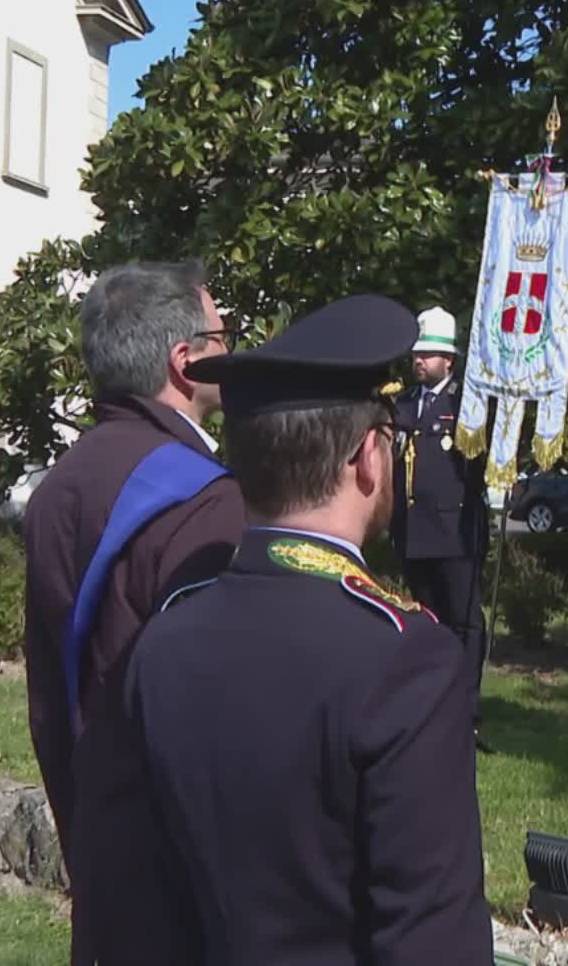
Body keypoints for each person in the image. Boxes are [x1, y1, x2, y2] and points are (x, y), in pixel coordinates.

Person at [117, 293, 492, 964]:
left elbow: (146, 903)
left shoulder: (165, 637)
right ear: (369, 458)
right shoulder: (406, 660)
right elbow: (433, 937)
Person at [19, 259, 246, 964]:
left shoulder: (59, 485)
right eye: (221, 333)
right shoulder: (205, 500)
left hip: (97, 828)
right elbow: (221, 717)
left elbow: (49, 698)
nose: (230, 346)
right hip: (180, 869)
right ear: (186, 361)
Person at [389, 305, 491, 749]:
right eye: (417, 352)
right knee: (426, 622)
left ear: (449, 359)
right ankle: (431, 704)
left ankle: (465, 710)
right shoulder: (404, 403)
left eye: (430, 354)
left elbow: (482, 463)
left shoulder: (466, 404)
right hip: (414, 530)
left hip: (456, 532)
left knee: (464, 624)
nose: (420, 360)